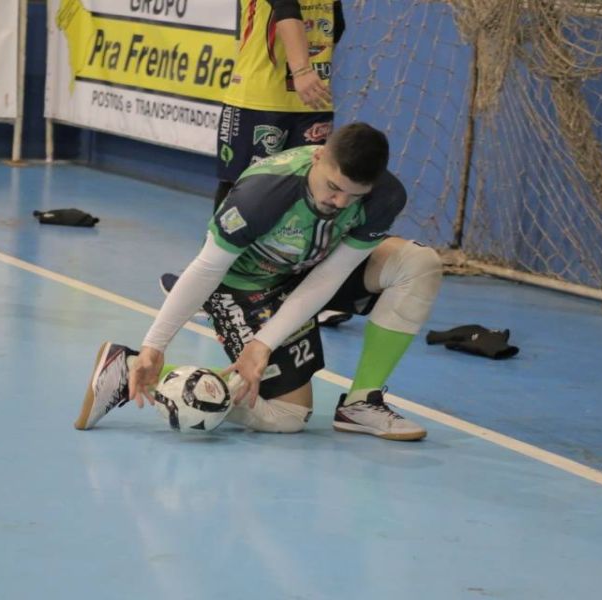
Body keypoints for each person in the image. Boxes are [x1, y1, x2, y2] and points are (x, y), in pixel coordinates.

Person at [77, 123, 443, 441]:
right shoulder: (263, 194)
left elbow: (329, 276)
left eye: (354, 194)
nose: (340, 201)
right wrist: (153, 346)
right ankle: (131, 370)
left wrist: (264, 343)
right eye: (333, 187)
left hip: (312, 268)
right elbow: (206, 269)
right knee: (287, 418)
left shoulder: (385, 196)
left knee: (418, 263)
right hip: (247, 283)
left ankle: (362, 402)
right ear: (318, 158)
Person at [214, 0, 344, 214]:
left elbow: (336, 25)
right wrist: (301, 71)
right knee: (244, 189)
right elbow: (286, 7)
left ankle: (275, 247)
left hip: (308, 98)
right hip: (265, 99)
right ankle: (224, 246)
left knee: (304, 191)